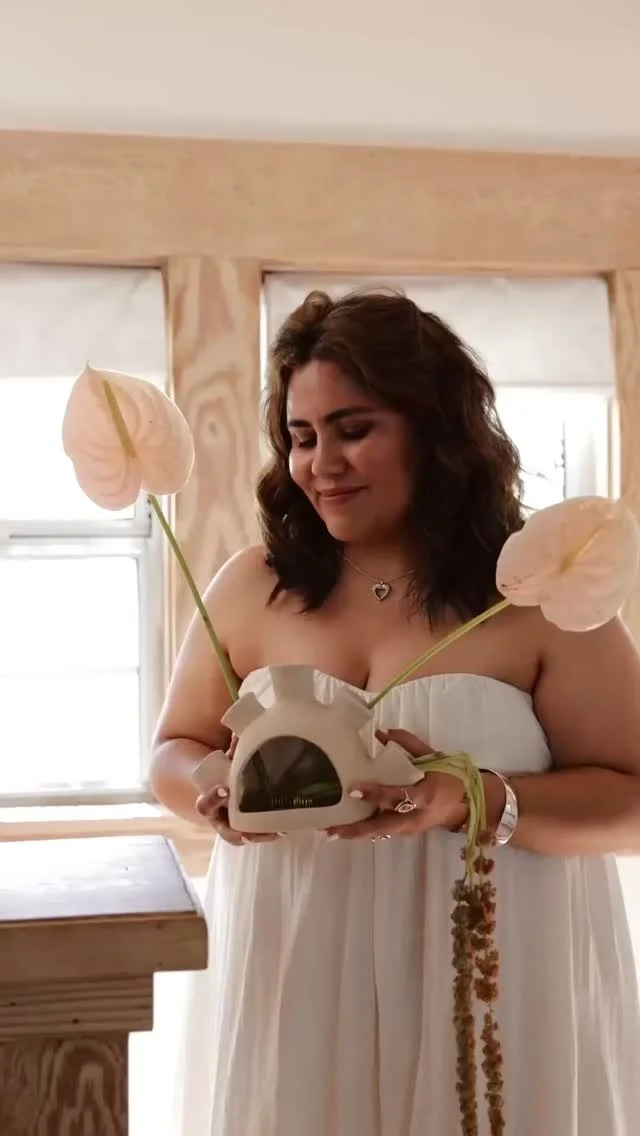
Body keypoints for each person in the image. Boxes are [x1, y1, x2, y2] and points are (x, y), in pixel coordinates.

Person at [151, 289, 640, 1136]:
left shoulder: (532, 592)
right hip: (294, 965)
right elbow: (174, 747)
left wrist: (468, 797)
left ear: (434, 430)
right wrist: (211, 785)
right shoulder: (251, 584)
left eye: (353, 428)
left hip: (493, 976)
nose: (321, 463)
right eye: (302, 436)